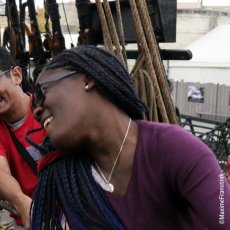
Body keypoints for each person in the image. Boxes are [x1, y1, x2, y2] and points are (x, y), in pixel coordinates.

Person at [31, 45, 230, 230]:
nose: (36, 111)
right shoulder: (71, 178)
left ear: (86, 80)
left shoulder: (176, 148)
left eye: (42, 93)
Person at [0, 47, 46, 229]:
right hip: (26, 219)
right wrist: (22, 203)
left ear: (16, 75)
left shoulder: (48, 108)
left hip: (70, 212)